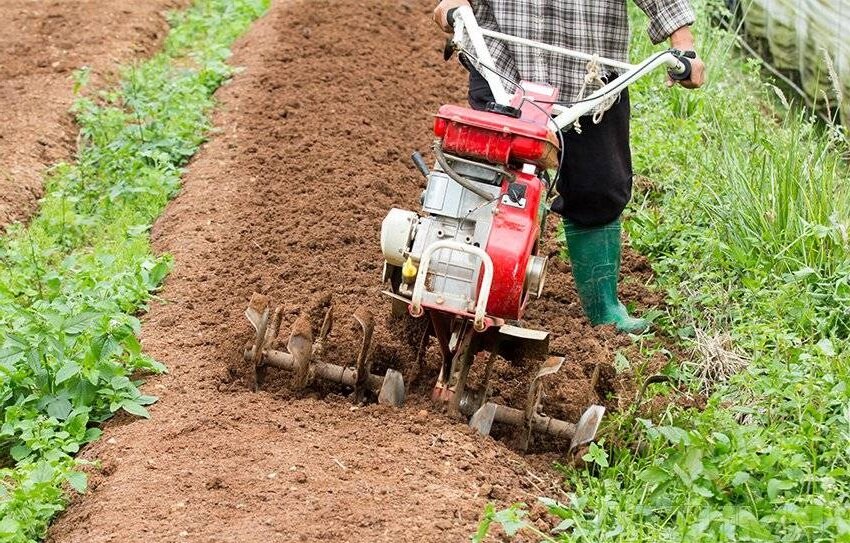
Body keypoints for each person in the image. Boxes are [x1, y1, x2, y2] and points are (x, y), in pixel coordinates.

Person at [432, 0, 706, 334]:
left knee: (598, 187)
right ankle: (471, 289)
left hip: (588, 77)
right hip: (501, 64)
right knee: (486, 178)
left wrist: (684, 46)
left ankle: (604, 310)